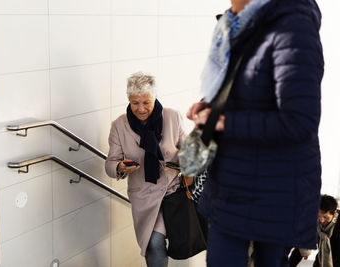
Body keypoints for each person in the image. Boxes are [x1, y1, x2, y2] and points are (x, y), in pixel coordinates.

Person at [186, 0, 324, 266]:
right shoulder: (237, 21)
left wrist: (225, 122)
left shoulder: (293, 26)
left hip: (275, 192)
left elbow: (299, 122)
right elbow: (243, 91)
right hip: (231, 185)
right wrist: (210, 107)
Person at [105, 72, 186, 267]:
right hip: (144, 197)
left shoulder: (172, 117)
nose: (141, 109)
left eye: (146, 102)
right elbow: (110, 163)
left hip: (173, 193)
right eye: (135, 103)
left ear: (154, 98)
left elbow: (189, 152)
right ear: (129, 101)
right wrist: (120, 167)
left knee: (183, 244)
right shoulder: (119, 125)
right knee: (154, 242)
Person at [313, 194, 340, 267]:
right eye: (318, 216)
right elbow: (304, 240)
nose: (321, 220)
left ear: (334, 213)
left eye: (325, 217)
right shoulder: (315, 222)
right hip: (320, 261)